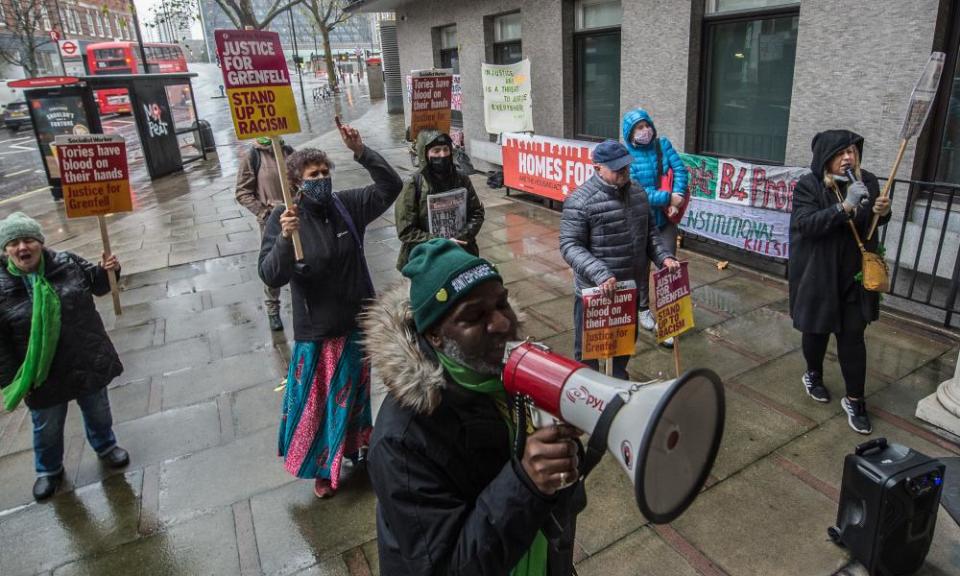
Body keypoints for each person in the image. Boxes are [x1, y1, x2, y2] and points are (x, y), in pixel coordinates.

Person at [363, 238, 585, 575]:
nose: (502, 323)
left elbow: (563, 499)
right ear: (435, 334)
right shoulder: (401, 441)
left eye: (502, 303)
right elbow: (446, 567)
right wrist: (525, 482)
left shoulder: (509, 374)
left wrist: (566, 457)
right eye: (474, 316)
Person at [258, 121, 403, 498]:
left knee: (355, 398)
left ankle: (354, 448)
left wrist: (362, 151)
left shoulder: (349, 206)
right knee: (318, 406)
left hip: (356, 325)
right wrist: (286, 241)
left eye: (325, 172)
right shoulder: (282, 219)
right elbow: (271, 274)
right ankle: (323, 468)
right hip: (319, 334)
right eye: (313, 174)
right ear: (297, 183)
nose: (321, 178)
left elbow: (392, 187)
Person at [0, 212, 130, 501]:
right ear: (6, 249)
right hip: (40, 374)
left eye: (29, 240)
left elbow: (98, 286)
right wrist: (13, 380)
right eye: (15, 242)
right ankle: (49, 471)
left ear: (40, 243)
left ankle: (106, 447)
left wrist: (109, 269)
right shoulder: (2, 286)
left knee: (98, 411)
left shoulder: (67, 263)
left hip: (84, 358)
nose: (23, 247)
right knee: (46, 426)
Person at [789, 130, 892, 434]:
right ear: (826, 157)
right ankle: (814, 374)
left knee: (852, 339)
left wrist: (882, 212)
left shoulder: (867, 181)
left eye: (852, 151)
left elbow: (872, 224)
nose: (849, 157)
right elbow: (806, 225)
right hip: (818, 273)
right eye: (841, 153)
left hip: (853, 276)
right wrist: (844, 207)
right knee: (816, 332)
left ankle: (855, 400)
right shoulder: (809, 184)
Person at [560, 140, 680, 379]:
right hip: (595, 291)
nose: (624, 172)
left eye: (626, 166)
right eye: (617, 168)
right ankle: (589, 386)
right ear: (597, 168)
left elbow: (650, 234)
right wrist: (600, 273)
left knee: (623, 343)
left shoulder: (638, 192)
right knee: (589, 350)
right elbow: (569, 245)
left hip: (628, 288)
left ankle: (618, 378)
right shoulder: (580, 201)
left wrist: (664, 257)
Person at [621, 108, 689, 346]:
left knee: (668, 268)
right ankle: (642, 309)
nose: (644, 131)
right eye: (638, 128)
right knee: (641, 268)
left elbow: (680, 170)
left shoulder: (663, 145)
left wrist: (678, 195)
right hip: (640, 221)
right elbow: (639, 192)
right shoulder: (626, 157)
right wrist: (668, 198)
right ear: (629, 133)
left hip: (665, 221)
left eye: (646, 125)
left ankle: (669, 320)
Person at [394, 129, 484, 270]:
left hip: (461, 252)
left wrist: (461, 237)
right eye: (436, 151)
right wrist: (440, 242)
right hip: (426, 258)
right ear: (425, 154)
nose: (442, 155)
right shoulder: (413, 183)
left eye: (445, 149)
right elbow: (406, 230)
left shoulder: (462, 179)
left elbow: (476, 213)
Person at [235, 136, 294, 332]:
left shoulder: (288, 151)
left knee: (300, 259)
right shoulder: (253, 156)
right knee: (273, 263)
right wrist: (264, 213)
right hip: (271, 222)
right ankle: (272, 309)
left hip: (295, 216)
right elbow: (242, 192)